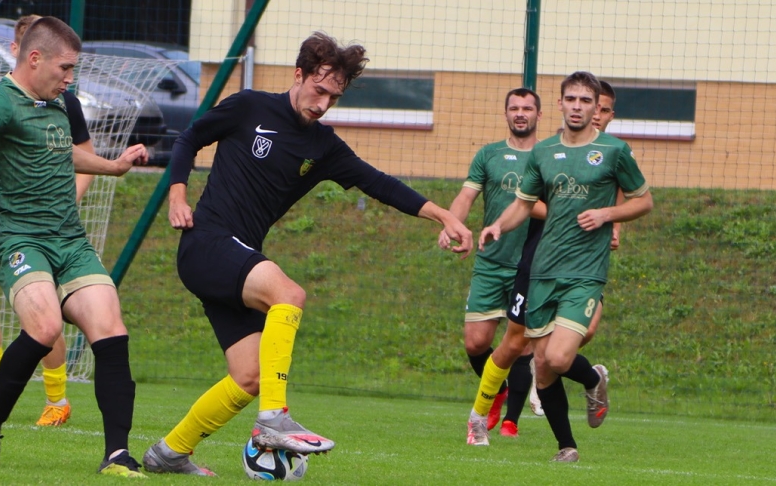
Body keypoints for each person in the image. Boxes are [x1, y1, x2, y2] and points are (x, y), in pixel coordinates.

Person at [140, 31, 473, 477]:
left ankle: (169, 453)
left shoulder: (324, 147)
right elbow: (189, 138)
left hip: (237, 257)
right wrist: (178, 196)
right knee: (289, 294)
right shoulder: (249, 106)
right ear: (299, 75)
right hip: (207, 243)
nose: (323, 103)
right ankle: (273, 418)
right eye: (319, 90)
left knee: (248, 377)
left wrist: (444, 215)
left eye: (333, 97)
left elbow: (379, 183)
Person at [0, 16, 149, 477]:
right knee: (44, 327)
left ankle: (117, 455)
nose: (69, 78)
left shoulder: (57, 102)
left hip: (69, 240)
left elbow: (62, 149)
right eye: (65, 68)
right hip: (20, 238)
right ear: (34, 58)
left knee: (111, 329)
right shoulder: (2, 100)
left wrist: (113, 166)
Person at [478, 71, 653, 462]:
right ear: (559, 104)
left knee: (557, 358)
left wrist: (607, 214)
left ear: (596, 108)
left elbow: (644, 201)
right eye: (571, 99)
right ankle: (566, 447)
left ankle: (593, 378)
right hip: (543, 270)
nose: (577, 107)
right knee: (542, 366)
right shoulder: (543, 152)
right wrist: (497, 225)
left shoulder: (614, 151)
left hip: (584, 273)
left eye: (585, 101)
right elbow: (523, 204)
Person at [0, 14, 97, 428]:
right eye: (15, 44)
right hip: (5, 219)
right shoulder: (2, 96)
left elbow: (80, 154)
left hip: (48, 225)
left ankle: (56, 399)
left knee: (42, 314)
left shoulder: (63, 101)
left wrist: (64, 200)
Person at [439, 87, 541, 445]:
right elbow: (466, 196)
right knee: (475, 342)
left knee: (521, 346)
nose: (520, 113)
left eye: (527, 108)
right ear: (506, 113)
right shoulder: (489, 155)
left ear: (539, 115)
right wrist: (451, 224)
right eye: (514, 108)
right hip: (490, 262)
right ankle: (496, 390)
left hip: (528, 266)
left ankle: (510, 422)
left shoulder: (547, 156)